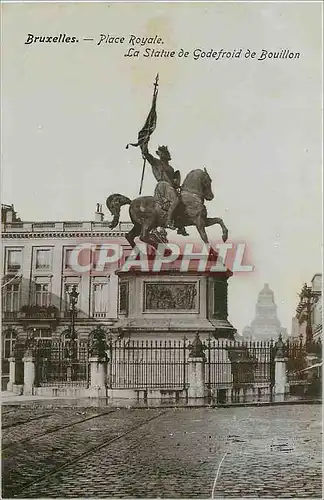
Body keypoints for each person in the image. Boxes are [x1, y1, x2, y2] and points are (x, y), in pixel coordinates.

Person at [141, 142, 188, 235]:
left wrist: (178, 185)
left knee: (183, 201)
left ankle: (180, 226)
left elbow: (174, 181)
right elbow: (146, 154)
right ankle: (168, 222)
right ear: (160, 154)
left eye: (166, 153)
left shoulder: (171, 168)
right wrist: (144, 142)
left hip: (170, 187)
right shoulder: (156, 162)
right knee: (175, 200)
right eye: (163, 153)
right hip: (162, 186)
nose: (165, 154)